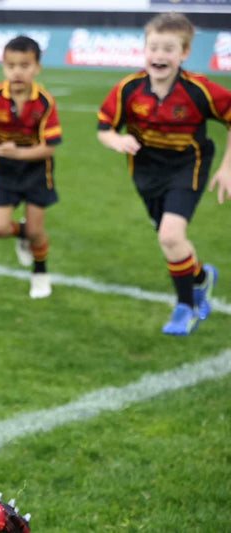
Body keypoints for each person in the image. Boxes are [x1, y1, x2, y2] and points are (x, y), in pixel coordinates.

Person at [97, 12, 231, 336]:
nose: (159, 55)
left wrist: (227, 168)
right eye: (153, 47)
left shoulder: (200, 90)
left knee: (170, 236)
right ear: (144, 49)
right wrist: (117, 139)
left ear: (184, 54)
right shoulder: (129, 89)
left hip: (188, 166)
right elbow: (104, 127)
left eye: (169, 49)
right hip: (145, 172)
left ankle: (187, 307)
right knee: (172, 241)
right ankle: (200, 277)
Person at [0, 35, 62, 299]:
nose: (17, 71)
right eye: (11, 65)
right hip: (3, 171)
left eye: (25, 65)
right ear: (3, 66)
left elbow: (49, 147)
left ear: (37, 68)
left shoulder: (44, 101)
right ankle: (23, 234)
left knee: (36, 230)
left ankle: (40, 272)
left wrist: (17, 152)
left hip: (36, 171)